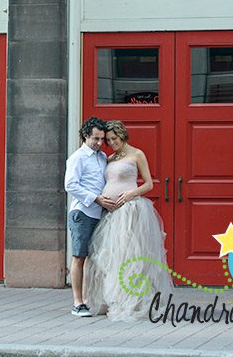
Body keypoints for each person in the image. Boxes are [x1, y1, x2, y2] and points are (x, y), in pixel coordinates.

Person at [84, 119, 173, 321]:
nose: (111, 143)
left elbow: (149, 184)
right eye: (108, 140)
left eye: (114, 138)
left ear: (122, 135)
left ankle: (134, 300)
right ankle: (114, 298)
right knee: (111, 256)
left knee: (131, 255)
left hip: (131, 211)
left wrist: (131, 194)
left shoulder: (137, 154)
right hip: (111, 214)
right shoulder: (109, 158)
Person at [64, 116, 120, 317]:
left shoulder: (101, 157)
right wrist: (96, 199)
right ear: (85, 136)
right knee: (79, 256)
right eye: (95, 139)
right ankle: (77, 303)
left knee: (93, 258)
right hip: (83, 212)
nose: (98, 143)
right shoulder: (77, 157)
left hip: (100, 213)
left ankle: (89, 300)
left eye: (101, 139)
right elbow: (70, 185)